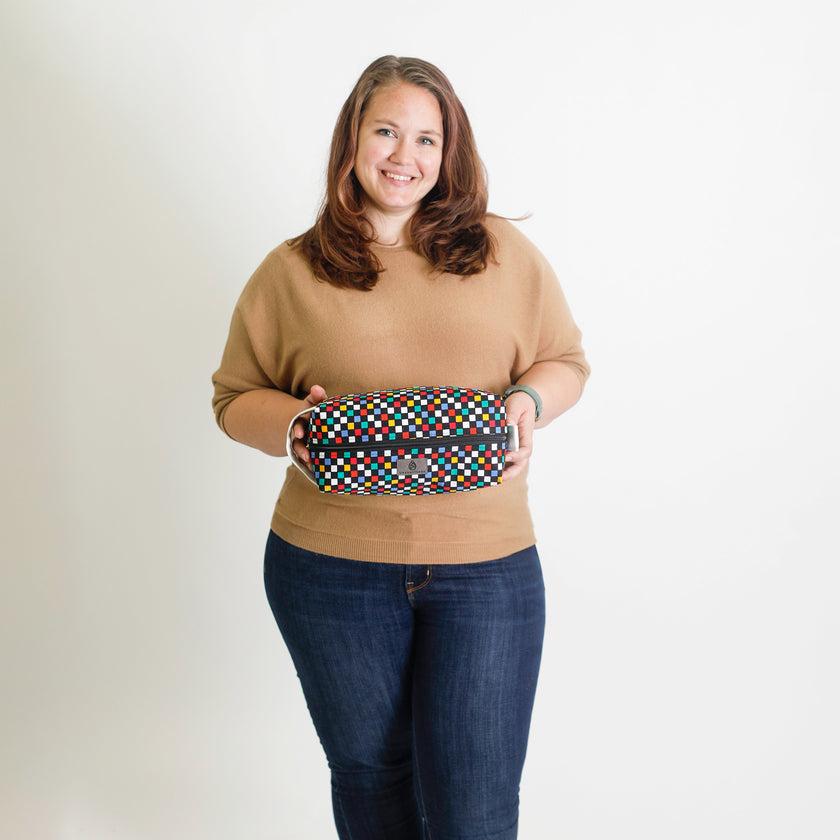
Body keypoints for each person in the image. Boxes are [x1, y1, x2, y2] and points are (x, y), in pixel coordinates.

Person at [212, 55, 589, 840]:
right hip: (329, 570)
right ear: (353, 138)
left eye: (426, 138)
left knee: (475, 810)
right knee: (371, 786)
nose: (403, 156)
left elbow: (564, 361)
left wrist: (528, 401)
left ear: (449, 153)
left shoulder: (501, 254)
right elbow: (233, 397)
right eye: (386, 131)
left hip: (486, 569)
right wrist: (294, 427)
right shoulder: (291, 272)